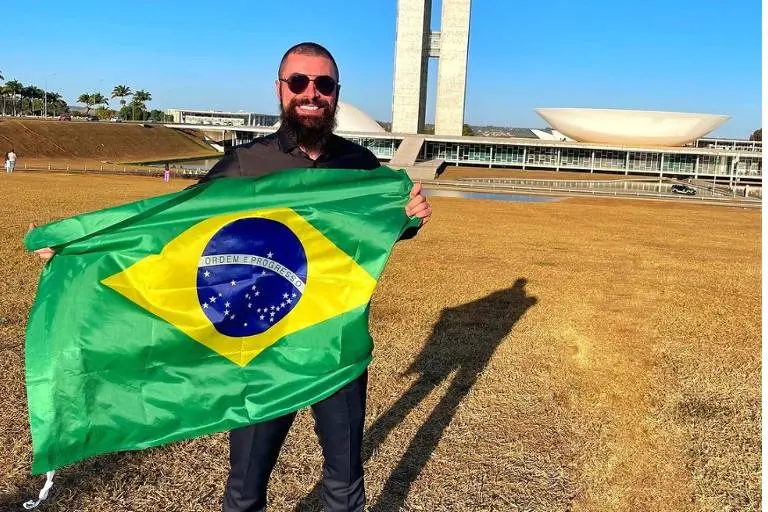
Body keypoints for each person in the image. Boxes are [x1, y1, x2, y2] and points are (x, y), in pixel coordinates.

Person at [30, 42, 431, 512]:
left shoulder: (360, 168)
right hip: (261, 350)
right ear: (280, 89)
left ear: (335, 93)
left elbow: (368, 235)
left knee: (344, 482)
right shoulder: (245, 165)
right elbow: (173, 225)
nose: (311, 93)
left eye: (323, 84)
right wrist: (82, 246)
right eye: (298, 82)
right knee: (245, 486)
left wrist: (409, 219)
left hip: (334, 347)